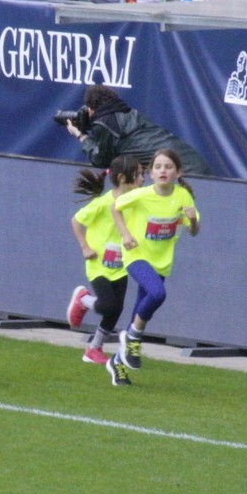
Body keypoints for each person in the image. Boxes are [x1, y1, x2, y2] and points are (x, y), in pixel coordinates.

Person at [109, 148, 199, 375]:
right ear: (150, 173)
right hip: (136, 256)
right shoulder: (141, 195)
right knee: (157, 294)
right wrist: (126, 235)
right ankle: (132, 336)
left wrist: (192, 221)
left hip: (161, 262)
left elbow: (194, 230)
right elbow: (115, 207)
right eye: (158, 167)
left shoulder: (182, 197)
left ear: (178, 172)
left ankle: (118, 362)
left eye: (168, 167)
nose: (163, 171)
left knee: (142, 309)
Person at [66, 156, 143, 386]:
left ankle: (94, 349)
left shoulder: (136, 200)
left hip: (119, 265)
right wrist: (85, 247)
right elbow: (76, 221)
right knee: (108, 305)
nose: (142, 179)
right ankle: (83, 300)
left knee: (116, 309)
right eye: (138, 174)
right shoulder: (102, 203)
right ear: (122, 179)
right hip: (98, 264)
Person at [65, 84, 212, 175]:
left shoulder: (104, 124)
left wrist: (81, 135)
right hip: (199, 166)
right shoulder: (130, 114)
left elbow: (101, 160)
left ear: (91, 108)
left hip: (187, 174)